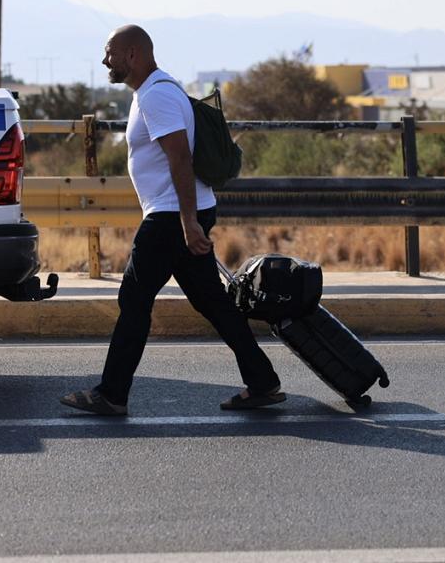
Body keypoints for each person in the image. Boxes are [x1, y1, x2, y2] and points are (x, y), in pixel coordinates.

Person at [61, 25, 285, 415]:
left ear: (132, 54)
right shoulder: (153, 91)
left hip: (172, 215)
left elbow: (179, 156)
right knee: (212, 301)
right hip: (180, 211)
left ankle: (112, 394)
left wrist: (187, 221)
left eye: (109, 52)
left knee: (134, 298)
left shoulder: (158, 95)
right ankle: (262, 381)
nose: (104, 61)